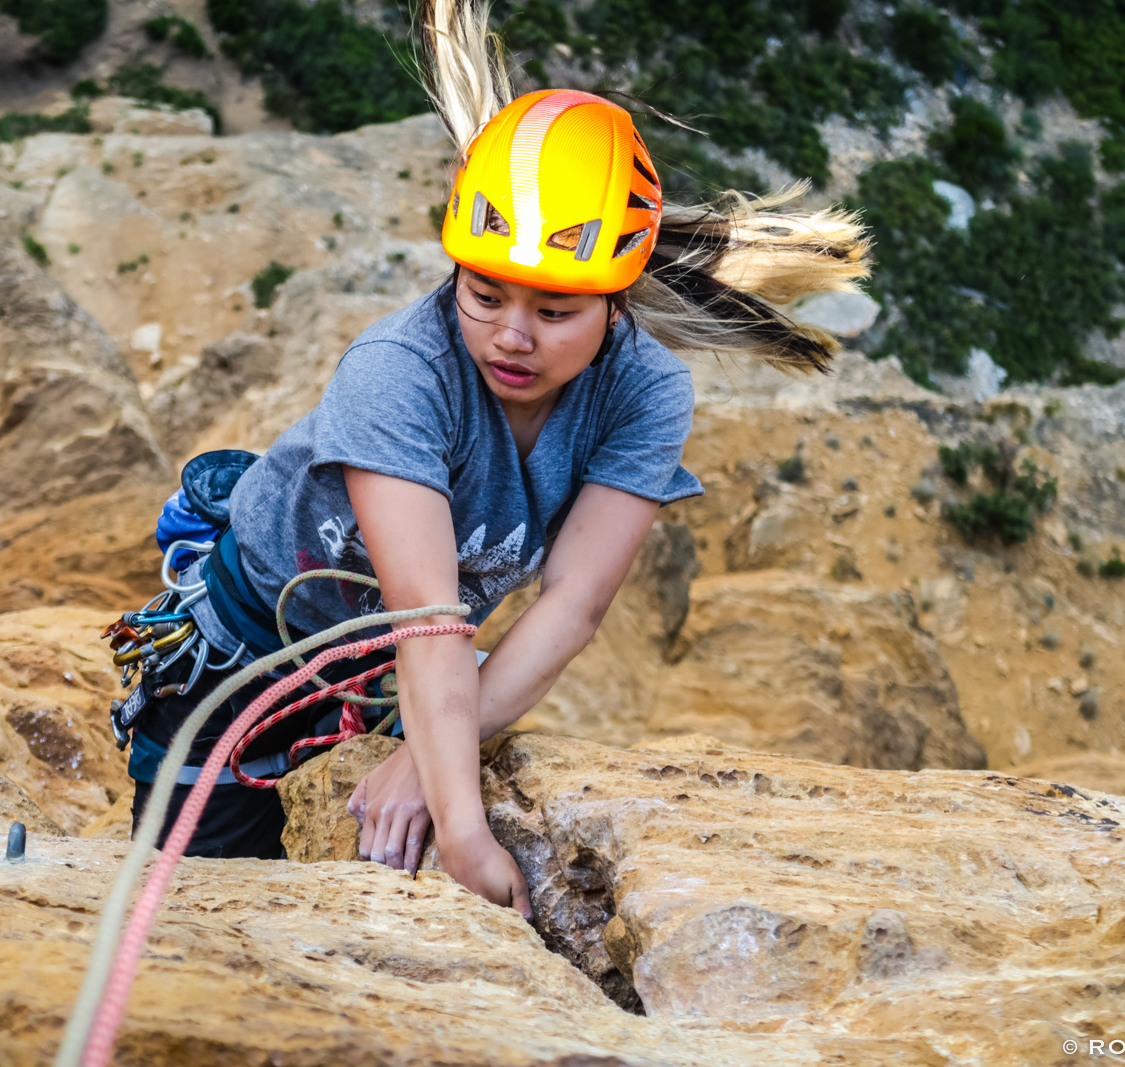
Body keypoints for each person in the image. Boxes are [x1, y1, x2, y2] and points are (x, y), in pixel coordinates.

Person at [109, 0, 871, 916]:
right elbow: (432, 620)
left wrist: (432, 759)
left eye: (554, 313)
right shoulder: (399, 374)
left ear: (614, 303)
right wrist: (466, 841)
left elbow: (574, 605)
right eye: (483, 295)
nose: (512, 337)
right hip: (242, 660)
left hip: (387, 681)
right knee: (208, 919)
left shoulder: (645, 392)